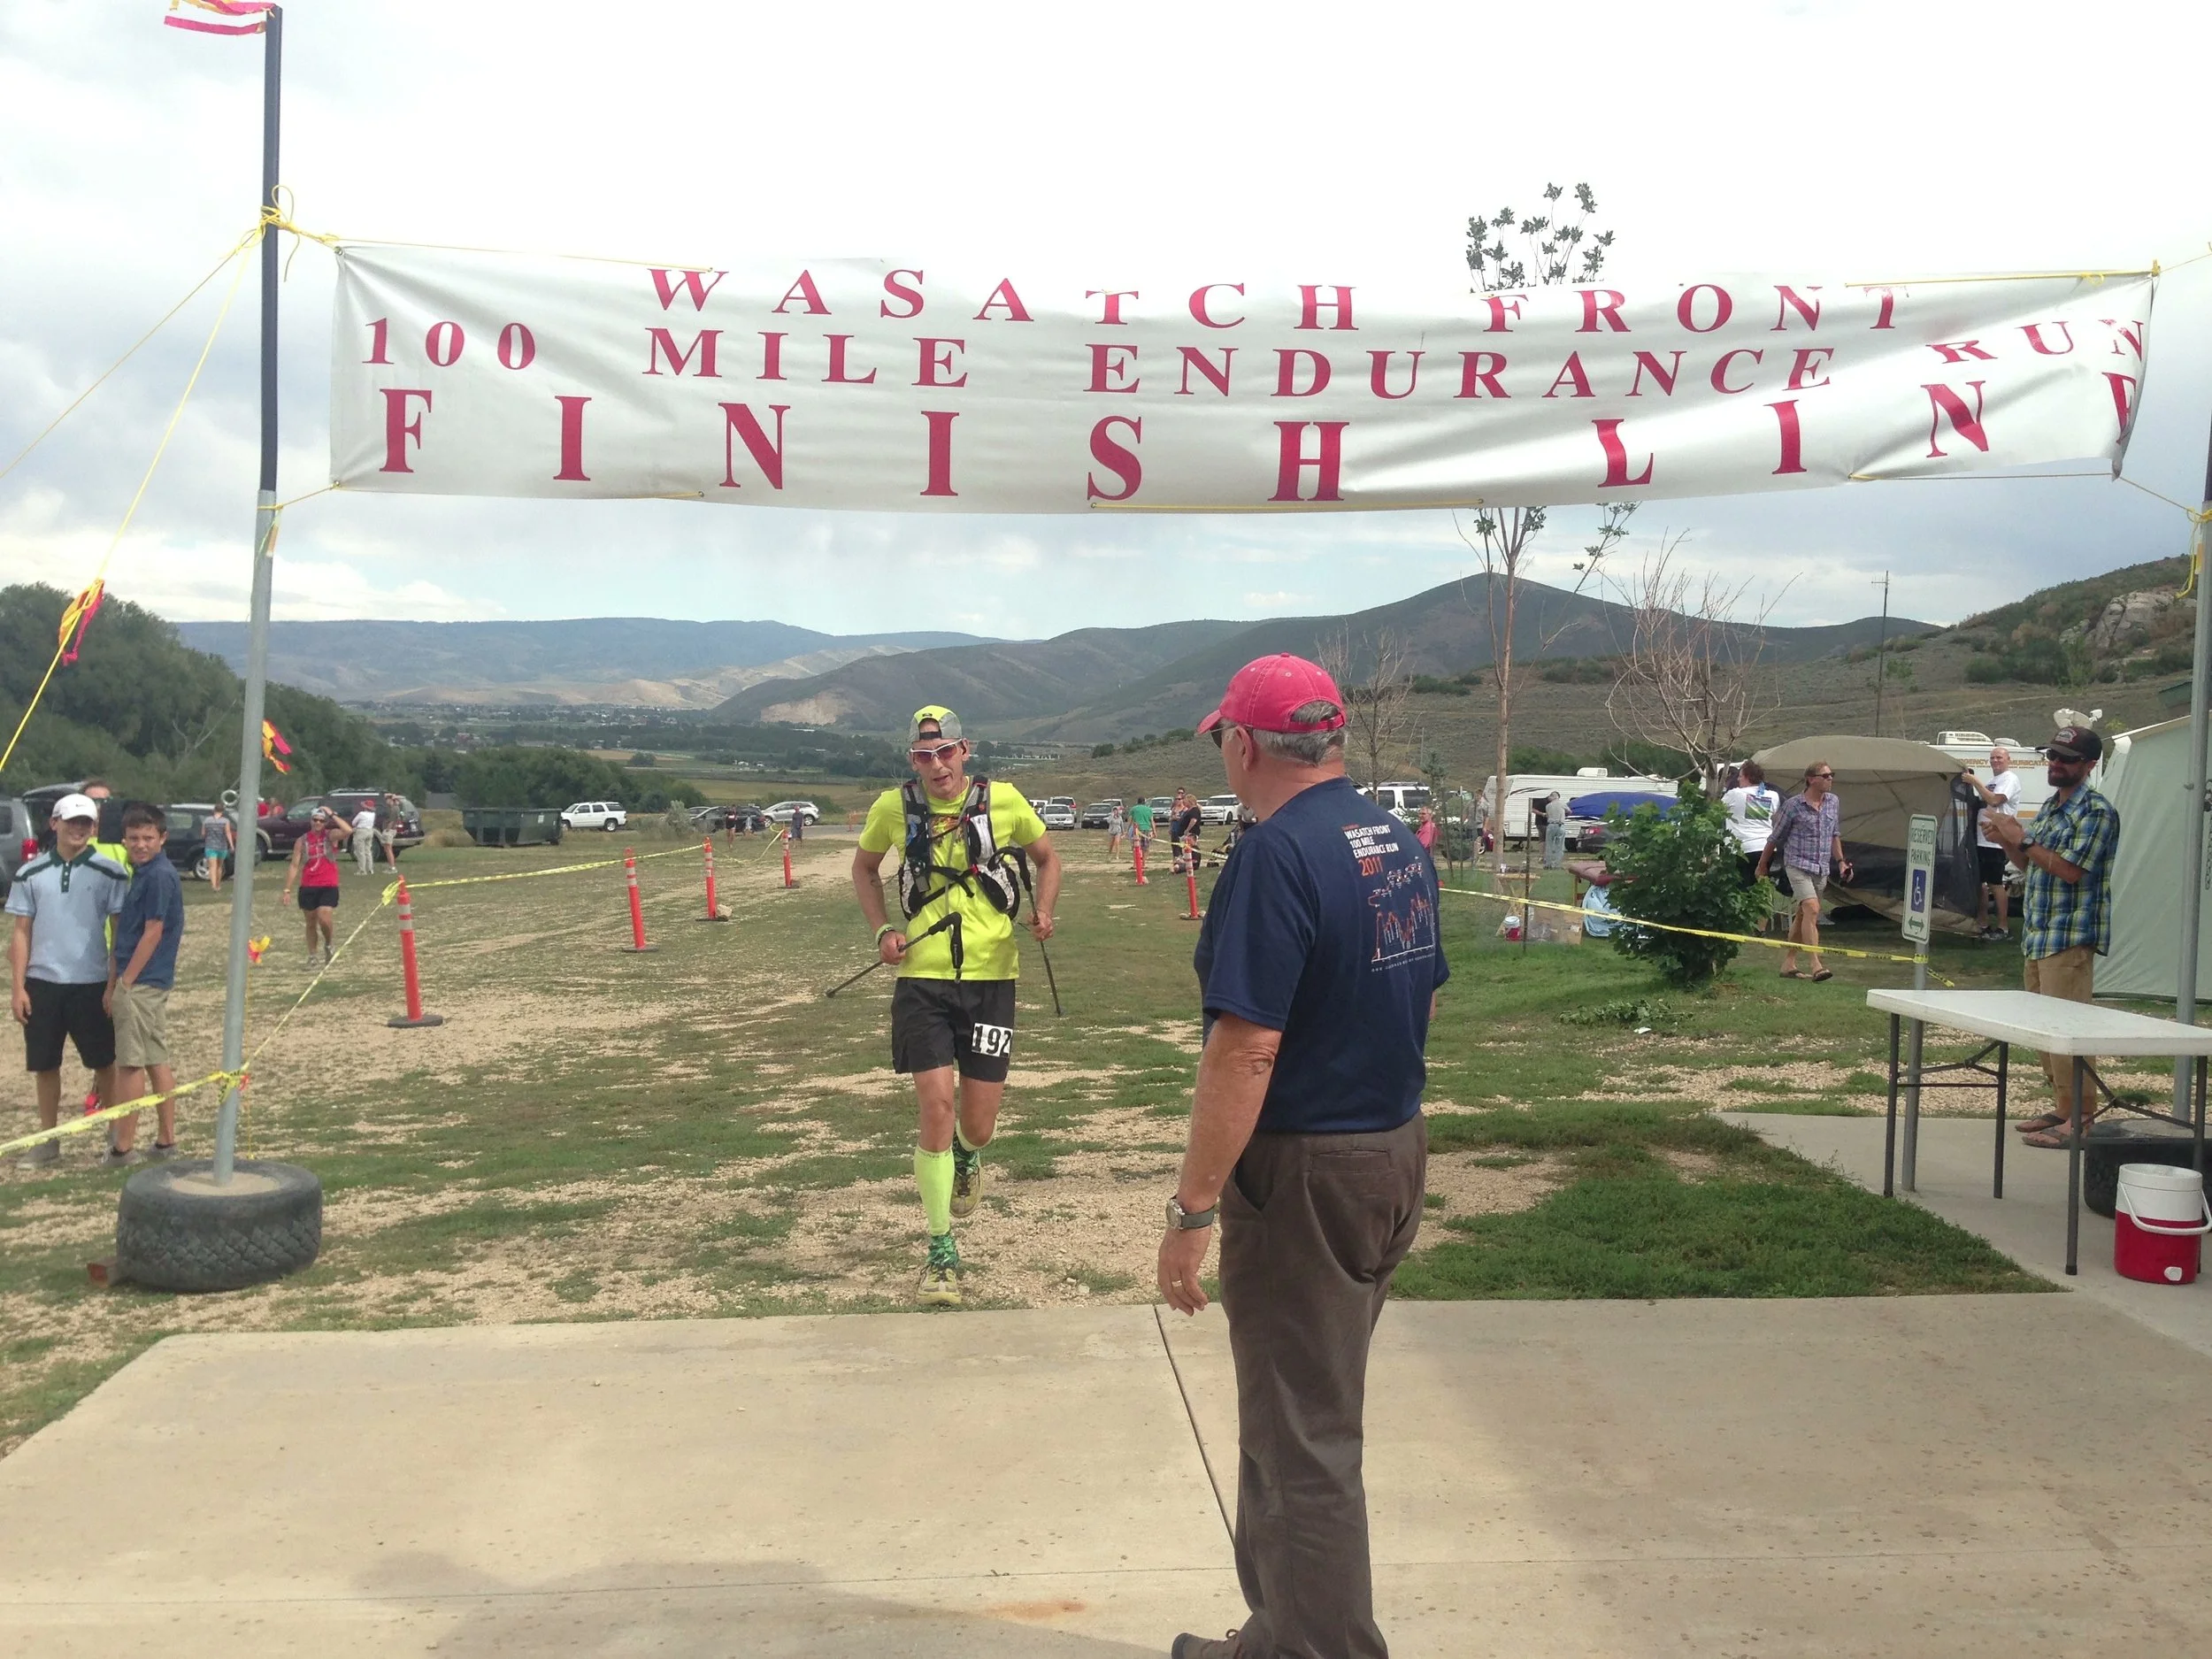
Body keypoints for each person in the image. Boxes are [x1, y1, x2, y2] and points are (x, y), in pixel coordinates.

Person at [1161, 654, 1445, 1659]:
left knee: (1303, 1441)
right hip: (1389, 1148)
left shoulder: (1275, 856)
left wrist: (1191, 1211)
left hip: (1307, 1173)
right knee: (1294, 1421)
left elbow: (1245, 1048)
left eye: (1221, 742)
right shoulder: (1394, 842)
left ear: (1242, 744)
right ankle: (1278, 1636)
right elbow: (1426, 994)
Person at [850, 706, 1061, 1307]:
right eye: (924, 755)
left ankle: (970, 1154)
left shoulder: (1007, 800)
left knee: (978, 1123)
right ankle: (940, 1250)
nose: (937, 764)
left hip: (994, 979)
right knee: (936, 1107)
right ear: (912, 760)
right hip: (922, 980)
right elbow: (865, 869)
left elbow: (1048, 857)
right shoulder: (894, 809)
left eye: (945, 751)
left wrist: (1044, 910)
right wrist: (881, 931)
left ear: (965, 749)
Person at [1980, 726, 2120, 1148]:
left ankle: (2081, 1116)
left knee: (2069, 1029)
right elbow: (2031, 866)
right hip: (2040, 935)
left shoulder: (2095, 812)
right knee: (2044, 1031)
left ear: (2089, 765)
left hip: (2070, 935)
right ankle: (2062, 1109)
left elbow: (2072, 871)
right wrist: (2007, 843)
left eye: (2066, 759)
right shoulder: (2052, 807)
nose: (2056, 764)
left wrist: (2022, 836)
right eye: (2053, 756)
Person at [6, 795, 127, 1168]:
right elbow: (21, 933)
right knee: (45, 1065)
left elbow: (118, 933)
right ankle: (48, 1139)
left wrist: (112, 985)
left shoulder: (111, 873)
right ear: (54, 823)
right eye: (73, 821)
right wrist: (17, 987)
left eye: (86, 823)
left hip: (92, 983)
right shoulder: (30, 873)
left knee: (104, 1063)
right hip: (43, 983)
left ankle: (116, 1137)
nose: (79, 829)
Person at [108, 803, 184, 1162]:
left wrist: (126, 981)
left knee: (131, 1063)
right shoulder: (142, 872)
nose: (140, 844)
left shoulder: (158, 876)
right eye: (134, 838)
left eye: (148, 838)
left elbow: (153, 931)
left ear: (162, 838)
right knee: (156, 1057)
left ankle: (123, 1147)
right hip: (147, 981)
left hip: (142, 982)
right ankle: (166, 1141)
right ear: (124, 839)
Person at [1755, 761, 1853, 981]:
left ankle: (1788, 963)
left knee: (1802, 916)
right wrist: (1762, 864)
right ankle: (1816, 964)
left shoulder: (1833, 802)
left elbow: (1834, 833)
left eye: (1831, 775)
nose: (1830, 779)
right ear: (1811, 779)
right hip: (1797, 864)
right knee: (1812, 908)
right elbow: (1775, 838)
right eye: (1825, 775)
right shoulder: (1793, 806)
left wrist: (1841, 862)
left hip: (1821, 866)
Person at [1963, 746, 2021, 941]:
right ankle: (1983, 923)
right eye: (1992, 758)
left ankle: (2003, 928)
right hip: (1982, 839)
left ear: (2008, 760)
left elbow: (1995, 800)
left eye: (1999, 757)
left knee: (1996, 883)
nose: (1995, 761)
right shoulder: (1992, 781)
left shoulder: (2009, 779)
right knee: (1980, 883)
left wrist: (1975, 781)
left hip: (1997, 841)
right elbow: (1984, 801)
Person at [1721, 760, 1781, 932]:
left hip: (1741, 848)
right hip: (1765, 847)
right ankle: (1761, 928)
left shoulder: (1735, 794)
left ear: (1746, 777)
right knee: (1763, 888)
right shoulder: (1773, 796)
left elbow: (1717, 810)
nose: (1738, 780)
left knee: (1739, 888)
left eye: (1740, 777)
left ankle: (1739, 925)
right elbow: (1773, 818)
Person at [284, 806, 345, 966]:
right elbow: (294, 865)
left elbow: (348, 830)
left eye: (321, 820)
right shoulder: (302, 841)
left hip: (328, 884)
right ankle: (312, 956)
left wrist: (332, 813)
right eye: (315, 820)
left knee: (324, 917)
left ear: (325, 822)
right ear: (311, 821)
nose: (318, 823)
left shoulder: (330, 836)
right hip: (308, 885)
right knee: (310, 922)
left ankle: (329, 943)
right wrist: (287, 889)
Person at [202, 804, 235, 893]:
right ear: (223, 811)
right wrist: (231, 845)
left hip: (210, 846)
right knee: (219, 866)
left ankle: (213, 885)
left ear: (214, 810)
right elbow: (228, 833)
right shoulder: (225, 821)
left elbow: (203, 833)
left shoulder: (207, 820)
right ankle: (218, 884)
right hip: (222, 846)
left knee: (212, 866)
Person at [1171, 788, 1203, 874]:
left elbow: (1193, 820)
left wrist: (1187, 830)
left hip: (1190, 833)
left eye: (1186, 800)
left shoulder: (1194, 810)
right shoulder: (1188, 810)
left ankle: (1190, 862)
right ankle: (1184, 862)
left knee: (1189, 848)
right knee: (1184, 849)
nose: (1184, 802)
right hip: (1183, 833)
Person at [350, 799, 379, 876]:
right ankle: (370, 869)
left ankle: (362, 870)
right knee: (368, 851)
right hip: (370, 831)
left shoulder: (361, 814)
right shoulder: (373, 814)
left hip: (361, 831)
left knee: (360, 852)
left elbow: (353, 823)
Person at [1129, 795, 1156, 874]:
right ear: (1144, 802)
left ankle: (1135, 864)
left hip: (1136, 829)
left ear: (1138, 802)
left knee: (1135, 847)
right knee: (1146, 847)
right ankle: (1143, 863)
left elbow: (1130, 820)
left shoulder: (1133, 809)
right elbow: (1152, 821)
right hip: (1146, 829)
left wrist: (1127, 830)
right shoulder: (1149, 809)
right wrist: (1154, 831)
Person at [378, 793, 403, 871]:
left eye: (387, 799)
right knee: (387, 849)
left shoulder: (394, 809)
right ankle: (391, 866)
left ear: (391, 800)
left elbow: (392, 821)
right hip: (392, 830)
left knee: (388, 849)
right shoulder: (396, 807)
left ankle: (392, 867)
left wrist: (387, 830)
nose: (386, 801)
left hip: (390, 830)